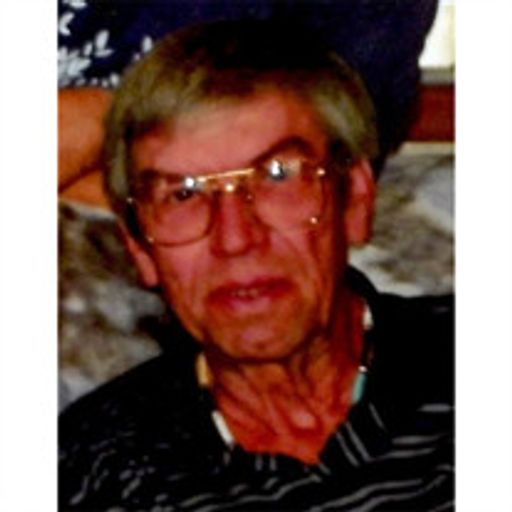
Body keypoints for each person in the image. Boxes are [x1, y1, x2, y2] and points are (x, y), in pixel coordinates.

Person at [59, 19, 453, 511]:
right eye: (183, 194)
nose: (235, 239)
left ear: (354, 199)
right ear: (139, 247)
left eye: (277, 176)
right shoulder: (96, 470)